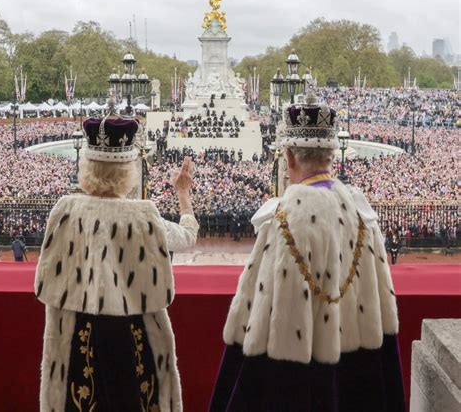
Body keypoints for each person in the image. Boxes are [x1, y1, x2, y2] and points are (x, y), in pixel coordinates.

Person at [209, 92, 405, 411]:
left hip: (301, 379)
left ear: (288, 158)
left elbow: (269, 320)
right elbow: (384, 312)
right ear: (332, 155)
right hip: (358, 373)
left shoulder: (285, 219)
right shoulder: (361, 214)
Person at [35, 115, 198, 412]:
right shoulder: (144, 216)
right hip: (133, 333)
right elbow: (187, 236)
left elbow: (44, 281)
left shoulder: (64, 211)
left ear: (86, 167)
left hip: (76, 334)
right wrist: (183, 195)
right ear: (129, 171)